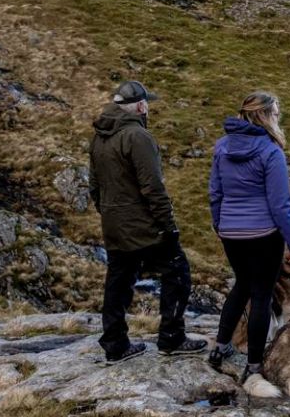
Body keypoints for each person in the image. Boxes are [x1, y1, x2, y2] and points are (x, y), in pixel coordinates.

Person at [88, 80, 207, 362]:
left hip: (114, 223)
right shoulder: (137, 136)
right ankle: (171, 337)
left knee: (118, 280)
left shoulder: (100, 135)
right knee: (177, 272)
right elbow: (153, 187)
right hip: (143, 226)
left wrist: (107, 213)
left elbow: (94, 184)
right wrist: (168, 225)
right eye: (147, 105)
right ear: (141, 106)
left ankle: (115, 343)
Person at [206, 91, 290, 398]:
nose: (278, 117)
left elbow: (215, 192)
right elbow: (280, 204)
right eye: (275, 113)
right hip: (263, 234)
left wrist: (220, 225)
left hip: (232, 234)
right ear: (263, 116)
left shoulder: (222, 146)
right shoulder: (270, 151)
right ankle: (253, 364)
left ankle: (220, 348)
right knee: (261, 295)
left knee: (241, 287)